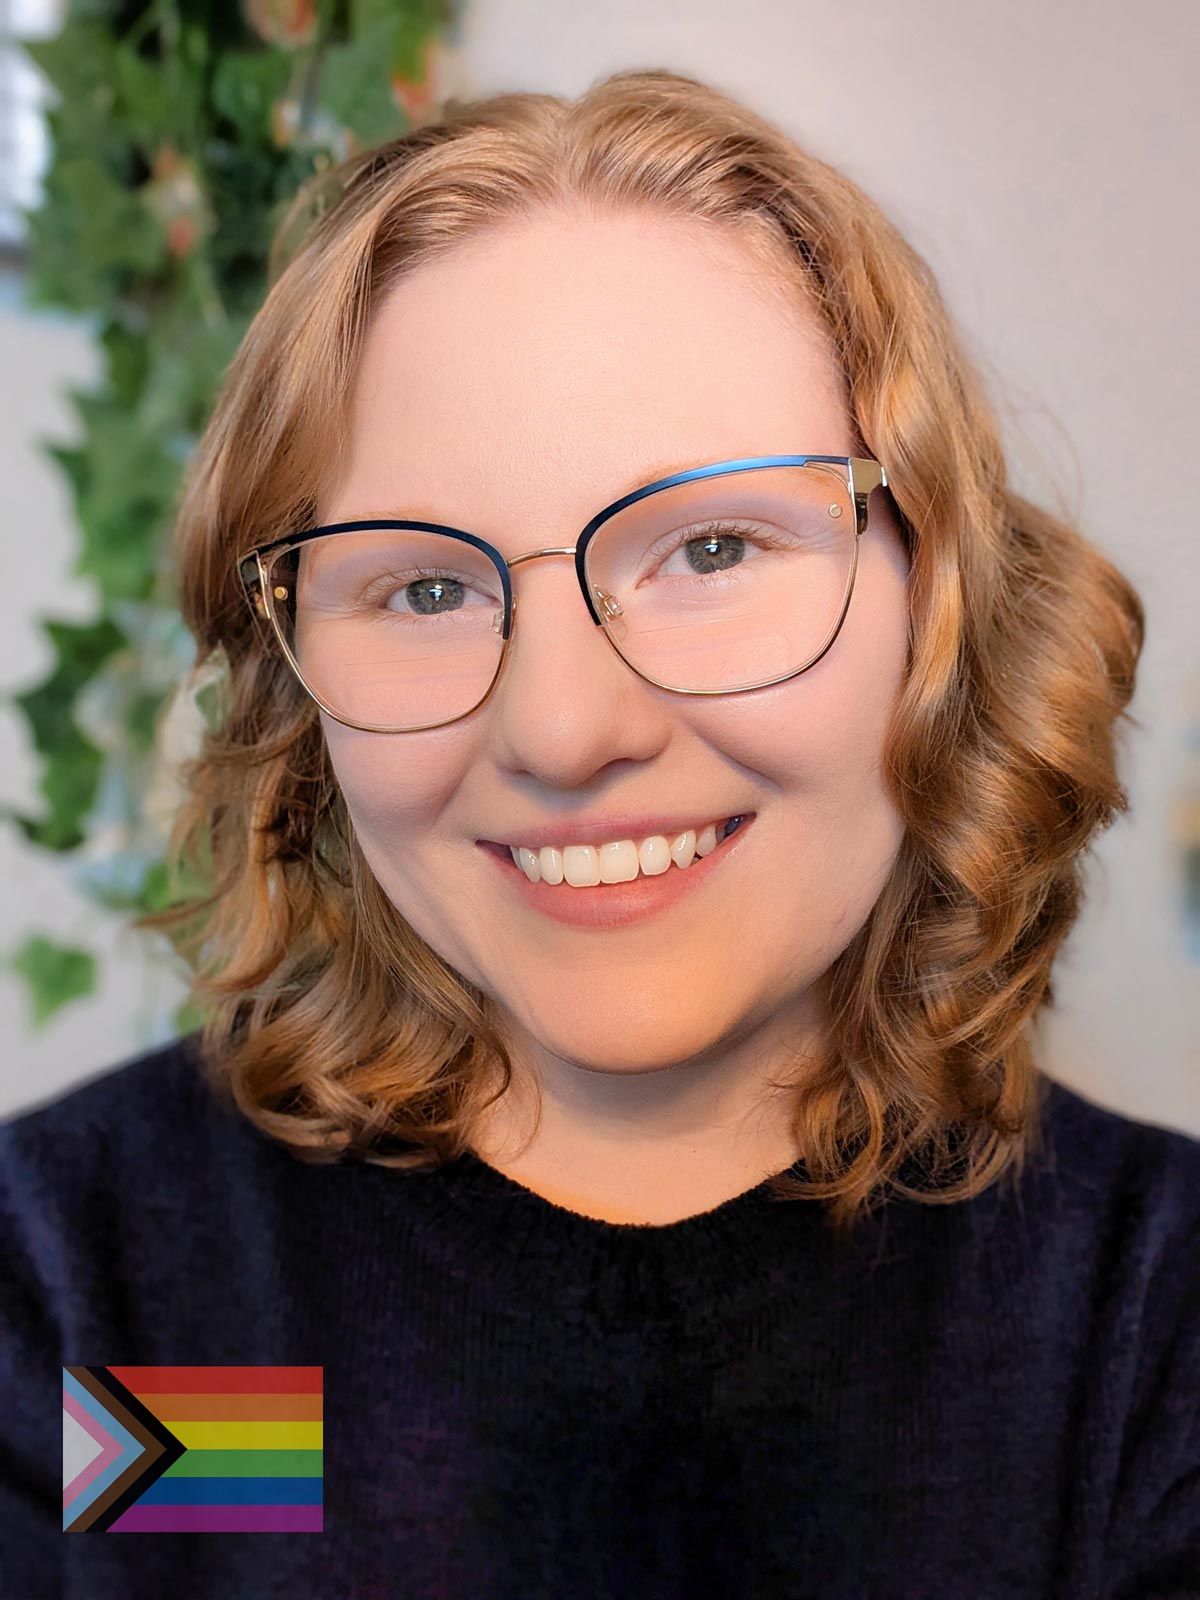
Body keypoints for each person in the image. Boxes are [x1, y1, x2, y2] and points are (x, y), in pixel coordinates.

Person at [2, 67, 1196, 1599]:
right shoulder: (82, 1299)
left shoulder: (1149, 1347)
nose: (564, 732)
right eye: (426, 587)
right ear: (292, 683)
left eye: (713, 548)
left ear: (945, 603)